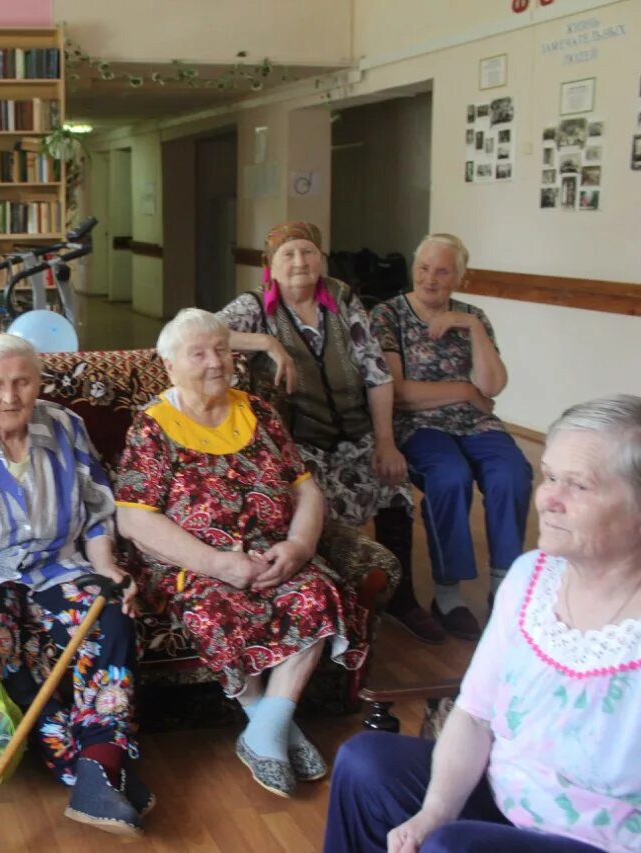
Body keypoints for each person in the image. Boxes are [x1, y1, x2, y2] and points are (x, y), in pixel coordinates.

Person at [325, 394, 641, 853]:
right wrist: (434, 812)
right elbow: (474, 716)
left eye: (579, 486)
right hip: (507, 797)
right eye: (550, 476)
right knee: (365, 763)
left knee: (454, 847)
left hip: (602, 841)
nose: (548, 499)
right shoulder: (531, 575)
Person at [115, 309, 369, 798]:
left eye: (222, 350)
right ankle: (273, 727)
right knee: (215, 609)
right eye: (199, 353)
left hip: (275, 556)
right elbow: (134, 518)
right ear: (170, 366)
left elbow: (307, 491)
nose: (215, 362)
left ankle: (266, 730)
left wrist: (297, 546)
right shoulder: (153, 427)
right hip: (196, 565)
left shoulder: (260, 412)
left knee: (318, 592)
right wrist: (218, 564)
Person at [0, 333, 152, 837]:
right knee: (2, 644)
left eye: (22, 381)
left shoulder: (67, 426)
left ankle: (98, 769)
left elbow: (96, 512)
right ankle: (90, 768)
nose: (10, 396)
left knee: (112, 619)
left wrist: (107, 567)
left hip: (57, 564)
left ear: (39, 383)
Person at [217, 221, 440, 644]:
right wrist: (266, 344)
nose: (300, 262)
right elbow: (197, 332)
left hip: (357, 435)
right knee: (309, 500)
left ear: (320, 259)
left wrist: (386, 442)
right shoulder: (256, 307)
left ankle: (403, 595)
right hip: (302, 443)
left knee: (395, 487)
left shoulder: (342, 299)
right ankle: (334, 601)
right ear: (270, 267)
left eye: (308, 253)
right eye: (289, 254)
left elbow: (376, 372)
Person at [371, 233, 533, 639]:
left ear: (459, 276)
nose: (430, 278)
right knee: (449, 477)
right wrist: (463, 391)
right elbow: (399, 392)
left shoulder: (472, 315)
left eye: (442, 271)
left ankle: (502, 590)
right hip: (420, 425)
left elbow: (492, 386)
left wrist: (474, 328)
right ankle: (448, 598)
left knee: (513, 473)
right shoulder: (388, 316)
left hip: (476, 424)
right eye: (424, 268)